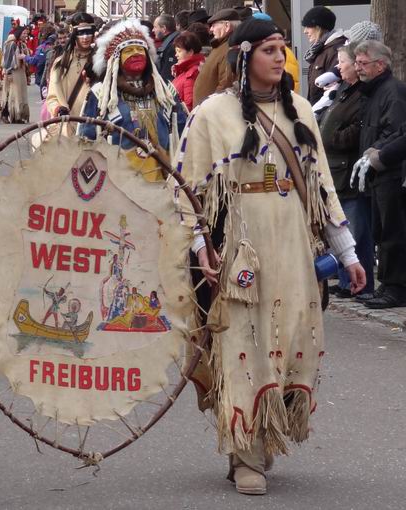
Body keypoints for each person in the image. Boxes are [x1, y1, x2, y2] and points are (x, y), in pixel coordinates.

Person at [176, 19, 365, 496]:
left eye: (283, 49)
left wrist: (348, 253)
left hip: (293, 245)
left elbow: (321, 185)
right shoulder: (211, 116)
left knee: (291, 339)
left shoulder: (300, 108)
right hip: (243, 247)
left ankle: (268, 431)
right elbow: (186, 191)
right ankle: (245, 453)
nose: (280, 58)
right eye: (268, 50)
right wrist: (201, 247)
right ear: (243, 58)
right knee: (245, 342)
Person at [80, 19, 182, 182]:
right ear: (115, 59)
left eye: (140, 49)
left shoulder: (166, 92)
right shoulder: (101, 95)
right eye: (128, 50)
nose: (136, 53)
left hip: (163, 185)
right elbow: (86, 140)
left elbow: (182, 134)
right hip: (118, 187)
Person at [353, 40, 406, 309]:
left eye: (363, 63)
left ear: (380, 65)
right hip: (378, 171)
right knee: (382, 231)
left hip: (391, 172)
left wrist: (377, 154)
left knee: (392, 231)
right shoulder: (373, 91)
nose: (357, 68)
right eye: (357, 63)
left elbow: (395, 131)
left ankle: (395, 287)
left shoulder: (392, 92)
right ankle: (387, 283)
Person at [319, 45, 374, 300]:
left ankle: (357, 282)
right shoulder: (342, 90)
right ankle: (344, 280)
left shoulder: (361, 95)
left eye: (343, 62)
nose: (338, 66)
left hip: (347, 168)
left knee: (354, 228)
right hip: (335, 167)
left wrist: (332, 137)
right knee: (345, 224)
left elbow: (357, 129)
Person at [45, 12, 96, 119]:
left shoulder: (101, 62)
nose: (85, 37)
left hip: (93, 126)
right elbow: (52, 97)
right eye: (81, 33)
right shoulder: (61, 63)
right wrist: (58, 109)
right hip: (65, 125)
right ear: (74, 34)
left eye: (88, 32)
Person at [192, 8, 239, 107]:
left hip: (212, 114)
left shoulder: (229, 49)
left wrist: (211, 111)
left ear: (227, 26)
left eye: (214, 25)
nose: (211, 30)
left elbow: (225, 86)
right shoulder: (221, 45)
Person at [302, 6, 346, 104]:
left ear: (319, 27)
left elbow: (334, 90)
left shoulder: (336, 50)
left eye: (308, 26)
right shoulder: (321, 48)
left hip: (324, 113)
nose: (305, 31)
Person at [1, 26, 30, 123]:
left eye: (27, 33)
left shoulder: (22, 44)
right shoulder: (11, 44)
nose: (26, 35)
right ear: (19, 34)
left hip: (20, 72)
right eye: (24, 33)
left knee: (20, 94)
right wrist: (8, 73)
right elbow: (7, 60)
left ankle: (18, 116)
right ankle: (6, 114)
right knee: (11, 94)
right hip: (12, 72)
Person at [171, 30, 204, 111]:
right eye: (176, 51)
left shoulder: (192, 73)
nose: (176, 55)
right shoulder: (185, 70)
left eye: (179, 51)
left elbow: (189, 106)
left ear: (190, 52)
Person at [153, 14, 180, 82]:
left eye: (155, 27)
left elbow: (167, 77)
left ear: (164, 28)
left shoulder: (172, 46)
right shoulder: (173, 41)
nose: (153, 30)